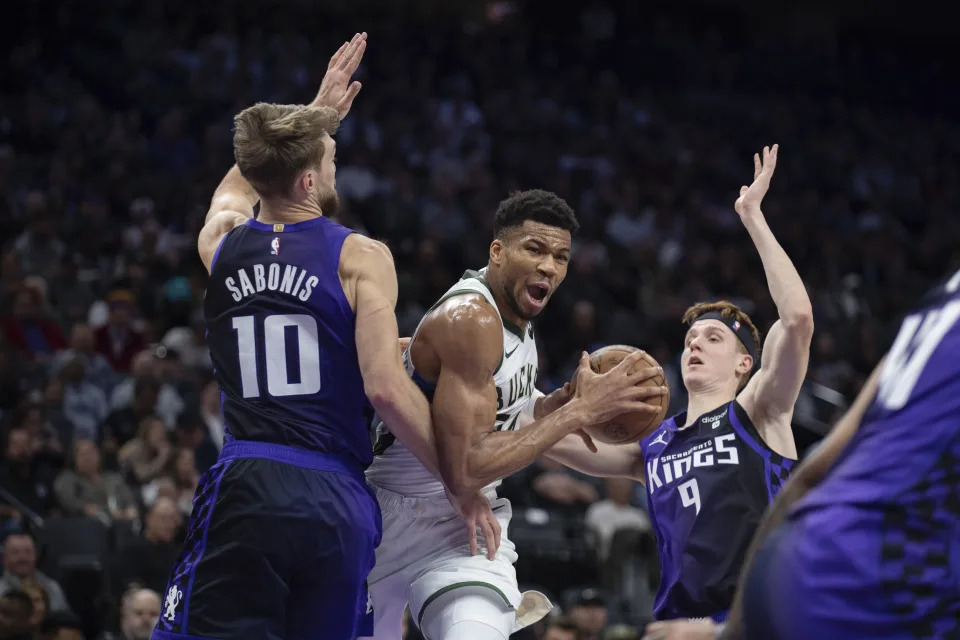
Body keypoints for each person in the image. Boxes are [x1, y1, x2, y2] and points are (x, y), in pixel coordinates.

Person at [152, 34, 495, 640]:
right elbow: (386, 390)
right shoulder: (361, 257)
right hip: (334, 493)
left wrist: (316, 115)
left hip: (249, 483)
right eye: (329, 158)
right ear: (310, 182)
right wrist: (458, 482)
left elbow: (234, 186)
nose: (335, 165)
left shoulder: (223, 244)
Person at [363, 188, 667, 640]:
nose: (550, 266)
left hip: (462, 532)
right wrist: (575, 412)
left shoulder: (516, 324)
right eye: (535, 249)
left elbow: (503, 413)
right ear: (498, 251)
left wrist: (552, 406)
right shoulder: (472, 319)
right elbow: (464, 469)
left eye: (561, 257)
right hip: (389, 518)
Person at [545, 145, 814, 625]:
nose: (695, 345)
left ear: (743, 363)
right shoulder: (653, 446)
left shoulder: (759, 410)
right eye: (690, 338)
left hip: (760, 613)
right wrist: (553, 404)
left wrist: (752, 216)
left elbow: (796, 319)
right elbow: (550, 444)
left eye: (713, 338)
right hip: (680, 621)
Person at [688, 266, 960, 640]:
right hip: (874, 583)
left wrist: (732, 630)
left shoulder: (936, 307)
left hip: (788, 559)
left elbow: (809, 476)